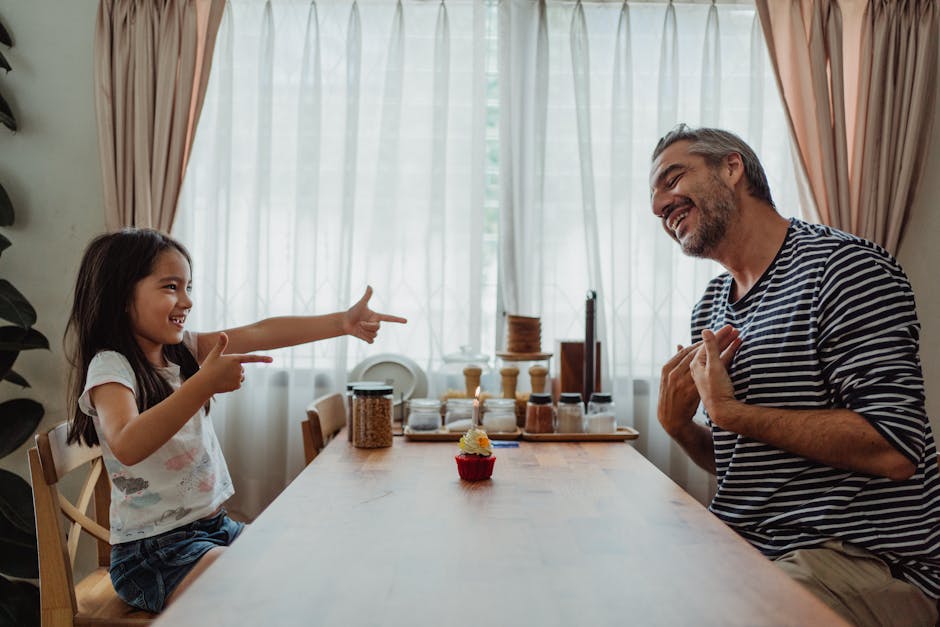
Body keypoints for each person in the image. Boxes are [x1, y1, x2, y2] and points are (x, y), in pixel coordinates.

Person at [650, 124, 940, 627]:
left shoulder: (845, 269)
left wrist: (732, 412)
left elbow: (894, 451)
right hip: (752, 546)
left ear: (732, 167)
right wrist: (682, 428)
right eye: (655, 201)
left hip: (864, 558)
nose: (660, 205)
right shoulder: (712, 306)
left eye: (672, 179)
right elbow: (747, 468)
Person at [64, 228, 406, 613]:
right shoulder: (111, 366)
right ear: (122, 294)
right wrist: (203, 385)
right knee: (252, 595)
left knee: (303, 570)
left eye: (188, 286)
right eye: (171, 287)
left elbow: (261, 331)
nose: (187, 300)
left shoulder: (182, 351)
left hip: (214, 529)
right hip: (153, 554)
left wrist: (341, 321)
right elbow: (126, 443)